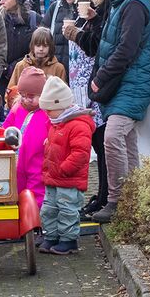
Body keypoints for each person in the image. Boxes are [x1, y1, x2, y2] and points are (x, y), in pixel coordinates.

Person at [89, 0, 150, 223]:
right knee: (127, 141)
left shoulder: (134, 5)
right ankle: (134, 200)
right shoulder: (123, 0)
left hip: (133, 82)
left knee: (112, 137)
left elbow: (126, 49)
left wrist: (101, 77)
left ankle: (117, 201)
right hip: (126, 82)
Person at [63, 0, 109, 217]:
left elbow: (94, 46)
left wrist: (78, 33)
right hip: (80, 89)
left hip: (94, 87)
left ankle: (104, 197)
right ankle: (101, 196)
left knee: (101, 145)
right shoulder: (86, 8)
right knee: (95, 143)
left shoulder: (102, 9)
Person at [38, 76, 95, 255]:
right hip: (53, 178)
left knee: (68, 210)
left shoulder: (78, 126)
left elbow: (80, 153)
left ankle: (69, 240)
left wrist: (64, 169)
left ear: (62, 105)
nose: (47, 113)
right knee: (49, 209)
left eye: (50, 110)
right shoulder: (57, 123)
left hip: (68, 179)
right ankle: (52, 236)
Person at [3, 67, 50, 208]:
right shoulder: (17, 109)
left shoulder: (47, 113)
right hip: (17, 161)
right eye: (22, 95)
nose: (26, 100)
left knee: (36, 191)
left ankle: (36, 215)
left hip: (38, 161)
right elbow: (6, 128)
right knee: (16, 189)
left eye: (31, 96)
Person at [0, 0, 41, 100]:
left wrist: (17, 65)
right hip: (0, 77)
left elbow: (39, 49)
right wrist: (3, 68)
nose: (1, 1)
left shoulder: (34, 19)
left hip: (26, 76)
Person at [41, 0, 80, 77]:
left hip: (78, 71)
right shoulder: (55, 8)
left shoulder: (86, 9)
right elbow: (43, 36)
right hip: (56, 70)